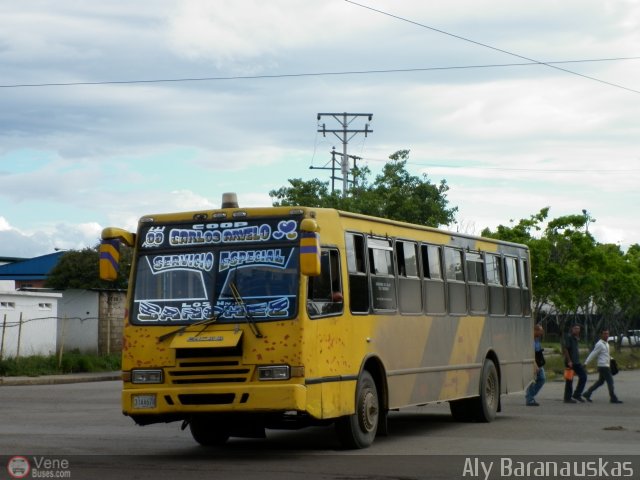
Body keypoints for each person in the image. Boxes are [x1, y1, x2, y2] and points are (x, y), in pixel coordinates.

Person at [583, 329, 622, 404]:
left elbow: (606, 354)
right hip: (603, 366)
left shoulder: (606, 343)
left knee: (600, 382)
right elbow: (593, 354)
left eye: (607, 333)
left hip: (606, 365)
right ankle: (613, 398)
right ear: (601, 335)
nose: (606, 335)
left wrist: (612, 359)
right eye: (604, 334)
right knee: (610, 381)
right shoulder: (599, 344)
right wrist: (586, 363)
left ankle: (587, 393)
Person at [562, 324, 588, 403]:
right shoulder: (569, 337)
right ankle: (567, 398)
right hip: (570, 363)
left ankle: (577, 394)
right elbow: (566, 349)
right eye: (575, 328)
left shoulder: (576, 338)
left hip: (577, 362)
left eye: (578, 329)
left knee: (583, 376)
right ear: (572, 329)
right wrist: (569, 361)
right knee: (569, 380)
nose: (577, 330)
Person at [525, 324, 546, 406]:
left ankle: (530, 395)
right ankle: (529, 399)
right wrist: (535, 365)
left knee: (542, 379)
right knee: (532, 381)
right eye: (541, 331)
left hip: (539, 362)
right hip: (533, 363)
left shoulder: (537, 339)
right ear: (535, 330)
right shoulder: (530, 340)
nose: (542, 333)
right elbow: (530, 354)